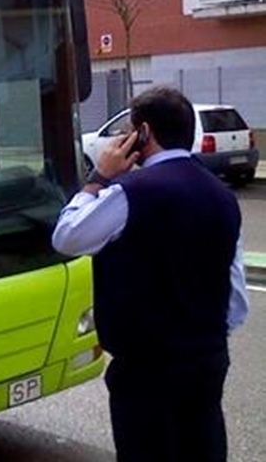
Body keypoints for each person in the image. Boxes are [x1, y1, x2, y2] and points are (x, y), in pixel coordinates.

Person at [52, 86, 248, 462]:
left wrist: (98, 177)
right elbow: (235, 295)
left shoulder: (130, 193)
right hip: (207, 361)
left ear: (142, 133)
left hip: (147, 370)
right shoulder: (222, 196)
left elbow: (67, 237)